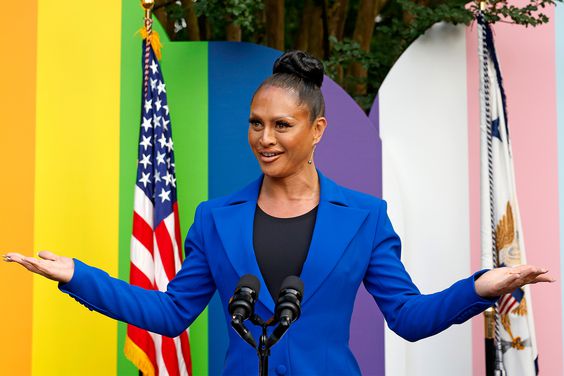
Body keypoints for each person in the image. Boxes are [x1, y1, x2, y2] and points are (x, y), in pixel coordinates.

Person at [4, 50, 554, 375]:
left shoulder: (365, 217)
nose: (264, 139)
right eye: (255, 123)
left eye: (281, 126)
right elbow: (170, 314)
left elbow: (409, 319)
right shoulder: (214, 218)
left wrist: (479, 288)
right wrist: (77, 277)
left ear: (317, 130)